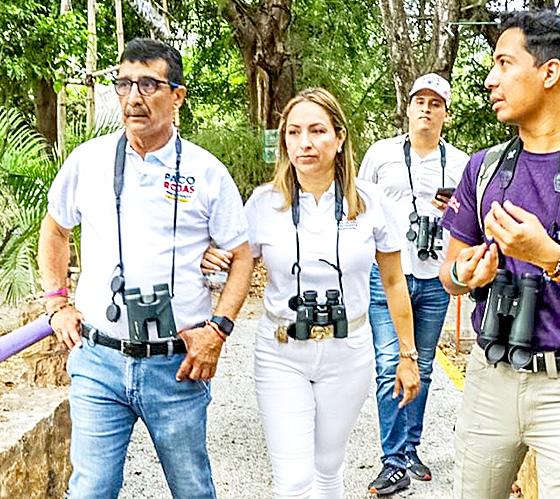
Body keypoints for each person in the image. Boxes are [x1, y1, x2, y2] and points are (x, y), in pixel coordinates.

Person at [37, 38, 253, 499]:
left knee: (192, 489)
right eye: (124, 84)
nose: (134, 97)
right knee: (90, 489)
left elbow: (242, 256)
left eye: (149, 84)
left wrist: (217, 331)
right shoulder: (88, 161)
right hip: (99, 359)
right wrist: (57, 303)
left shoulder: (206, 172)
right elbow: (54, 228)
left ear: (177, 96)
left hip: (176, 365)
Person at [201, 87, 420, 498]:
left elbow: (394, 282)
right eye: (294, 131)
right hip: (281, 350)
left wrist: (407, 357)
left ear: (339, 138)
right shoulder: (263, 204)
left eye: (317, 131)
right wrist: (210, 260)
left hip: (348, 350)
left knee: (328, 468)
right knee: (293, 480)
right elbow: (237, 266)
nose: (305, 142)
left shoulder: (370, 202)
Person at [439, 10, 560, 498]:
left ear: (549, 72)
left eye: (504, 63)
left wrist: (548, 256)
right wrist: (466, 273)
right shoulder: (484, 168)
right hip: (491, 376)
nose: (491, 80)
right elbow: (449, 275)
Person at [358, 74, 469, 494]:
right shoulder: (381, 154)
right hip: (389, 274)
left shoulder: (460, 163)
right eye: (419, 101)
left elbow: (470, 219)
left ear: (446, 113)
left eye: (435, 103)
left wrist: (453, 207)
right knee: (391, 364)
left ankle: (410, 448)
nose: (426, 109)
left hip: (435, 275)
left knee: (422, 366)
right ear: (407, 108)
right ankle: (392, 461)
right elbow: (357, 205)